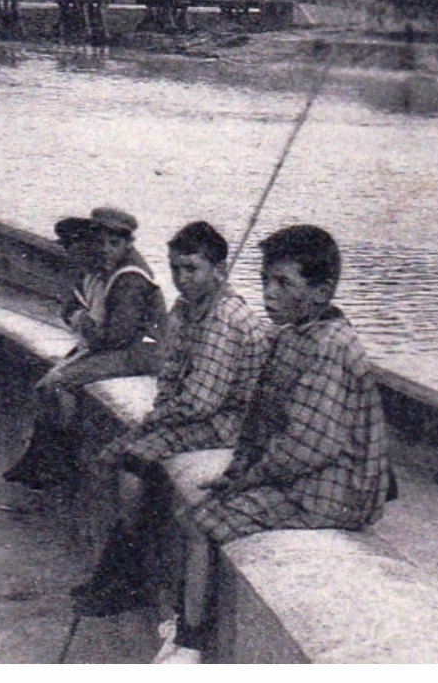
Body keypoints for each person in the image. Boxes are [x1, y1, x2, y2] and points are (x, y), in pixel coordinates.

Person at [159, 224, 390, 664]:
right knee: (194, 511)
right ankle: (184, 624)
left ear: (322, 291)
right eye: (265, 280)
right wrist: (237, 473)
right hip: (306, 477)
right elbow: (260, 425)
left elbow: (307, 447)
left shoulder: (331, 348)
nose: (268, 293)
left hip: (333, 491)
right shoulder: (292, 335)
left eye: (284, 282)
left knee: (201, 523)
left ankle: (189, 645)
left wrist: (247, 480)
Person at [70, 221, 271, 619]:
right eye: (176, 269)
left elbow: (201, 401)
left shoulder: (225, 319)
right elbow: (171, 373)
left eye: (192, 269)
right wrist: (158, 416)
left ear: (220, 270)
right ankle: (119, 569)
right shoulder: (186, 310)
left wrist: (154, 425)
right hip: (202, 413)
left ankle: (126, 578)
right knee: (125, 456)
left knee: (131, 461)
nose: (182, 279)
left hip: (232, 422)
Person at [3, 206, 166, 488]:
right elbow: (70, 306)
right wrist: (83, 320)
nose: (105, 250)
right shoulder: (102, 270)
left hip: (140, 353)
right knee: (49, 382)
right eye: (101, 242)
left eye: (114, 243)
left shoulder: (130, 277)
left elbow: (118, 335)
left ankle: (61, 460)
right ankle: (37, 460)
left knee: (60, 382)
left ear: (128, 243)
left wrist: (87, 326)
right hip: (116, 347)